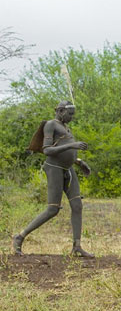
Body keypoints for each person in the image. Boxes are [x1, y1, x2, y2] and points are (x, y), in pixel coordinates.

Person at [13, 100, 94, 257]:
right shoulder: (50, 125)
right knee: (52, 209)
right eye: (70, 114)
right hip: (54, 169)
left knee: (77, 205)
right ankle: (20, 236)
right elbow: (48, 150)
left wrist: (78, 161)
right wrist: (72, 146)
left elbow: (64, 148)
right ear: (61, 111)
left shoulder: (65, 127)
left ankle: (77, 246)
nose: (71, 117)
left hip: (68, 169)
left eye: (73, 114)